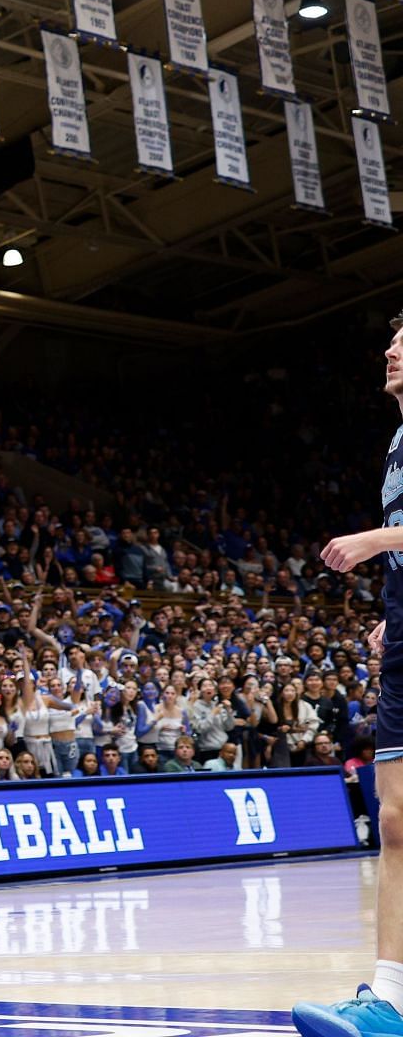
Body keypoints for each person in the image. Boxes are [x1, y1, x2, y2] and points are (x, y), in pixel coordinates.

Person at [294, 312, 403, 1037]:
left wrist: (376, 540)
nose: (392, 350)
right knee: (395, 823)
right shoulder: (397, 442)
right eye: (393, 340)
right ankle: (390, 1001)